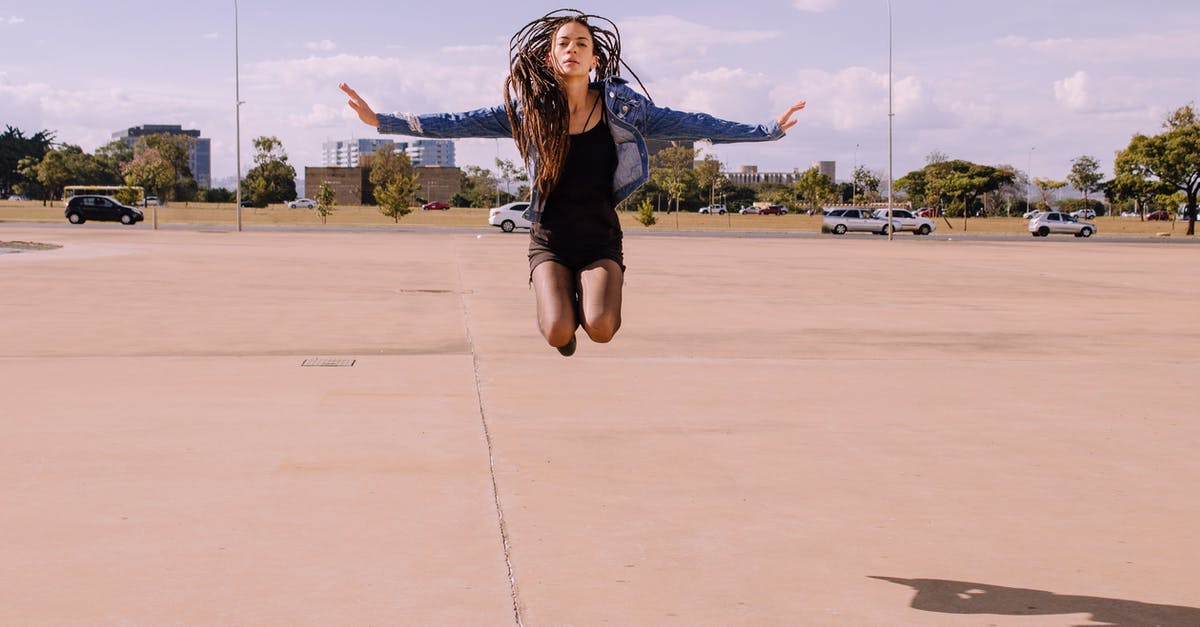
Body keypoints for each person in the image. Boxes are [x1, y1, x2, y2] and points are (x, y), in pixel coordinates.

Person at [341, 9, 805, 357]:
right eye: (564, 43)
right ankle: (561, 307)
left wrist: (764, 130)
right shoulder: (529, 112)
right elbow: (459, 122)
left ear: (594, 57)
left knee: (601, 328)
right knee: (558, 333)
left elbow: (690, 121)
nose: (572, 49)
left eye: (581, 43)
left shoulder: (624, 109)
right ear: (551, 56)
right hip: (549, 240)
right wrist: (381, 119)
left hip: (601, 237)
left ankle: (588, 297)